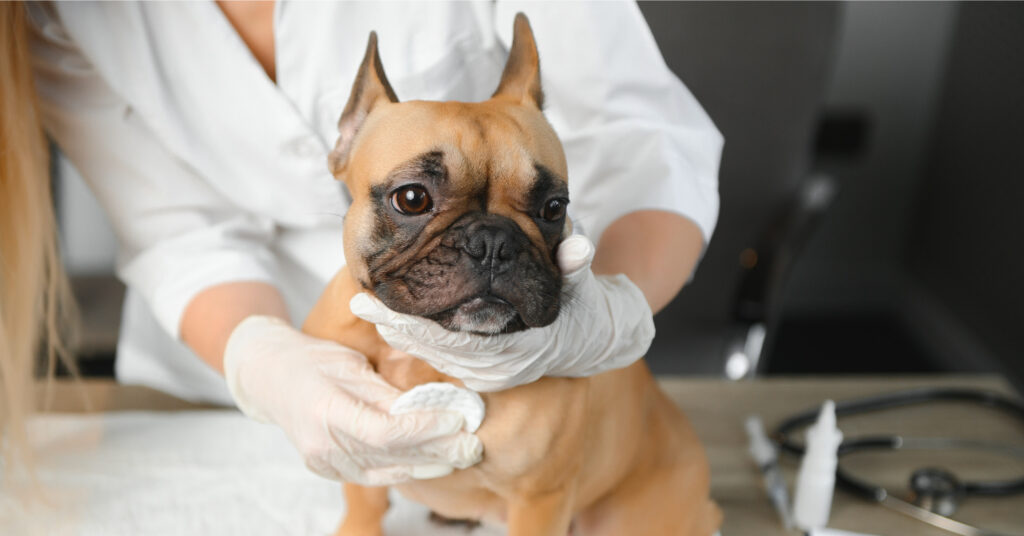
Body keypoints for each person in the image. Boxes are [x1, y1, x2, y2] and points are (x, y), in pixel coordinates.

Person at [20, 1, 722, 487]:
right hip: (210, 393)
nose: (481, 246)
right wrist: (263, 361)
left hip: (532, 394)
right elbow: (180, 229)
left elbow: (644, 139)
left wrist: (608, 315)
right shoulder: (56, 10)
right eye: (416, 200)